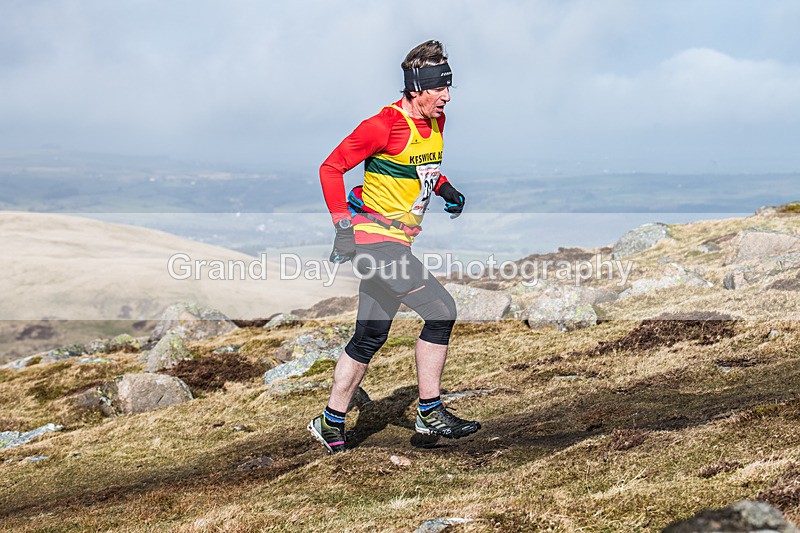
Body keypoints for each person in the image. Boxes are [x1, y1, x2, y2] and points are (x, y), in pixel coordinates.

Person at [308, 40, 481, 454]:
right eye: (439, 89)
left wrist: (445, 189)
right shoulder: (382, 125)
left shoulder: (436, 120)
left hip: (396, 242)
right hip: (375, 244)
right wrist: (342, 227)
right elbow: (330, 168)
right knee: (442, 312)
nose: (447, 96)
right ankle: (429, 410)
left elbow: (420, 167)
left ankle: (330, 422)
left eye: (449, 87)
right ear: (416, 88)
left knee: (369, 335)